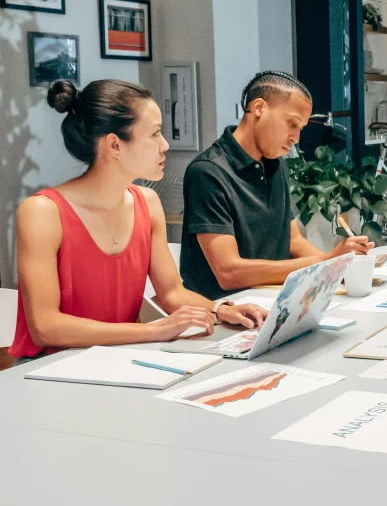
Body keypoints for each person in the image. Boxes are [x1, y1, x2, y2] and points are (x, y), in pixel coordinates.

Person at [11, 79, 267, 363]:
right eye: (155, 134)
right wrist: (154, 330)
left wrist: (220, 311)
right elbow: (46, 328)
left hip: (122, 360)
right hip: (48, 370)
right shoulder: (41, 213)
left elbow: (171, 293)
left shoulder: (147, 202)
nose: (165, 145)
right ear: (114, 145)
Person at [179, 71, 373, 301]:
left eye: (300, 127)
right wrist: (326, 261)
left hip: (271, 301)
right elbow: (228, 272)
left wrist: (336, 268)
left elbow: (293, 241)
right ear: (259, 108)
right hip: (222, 312)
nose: (296, 138)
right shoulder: (208, 172)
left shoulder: (275, 165)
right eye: (292, 123)